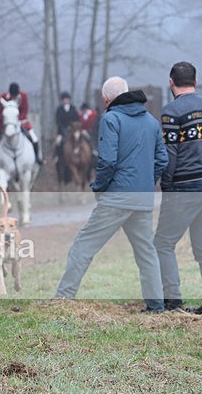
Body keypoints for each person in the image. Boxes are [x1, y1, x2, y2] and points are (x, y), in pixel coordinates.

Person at [55, 76, 168, 313]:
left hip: (117, 198)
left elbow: (107, 161)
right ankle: (157, 306)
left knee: (82, 247)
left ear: (106, 99)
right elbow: (162, 160)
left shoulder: (111, 119)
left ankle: (62, 301)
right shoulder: (151, 121)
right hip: (143, 199)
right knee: (147, 254)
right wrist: (147, 183)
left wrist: (99, 187)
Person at [154, 61, 202, 314]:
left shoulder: (171, 112)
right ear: (196, 81)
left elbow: (169, 154)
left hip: (185, 186)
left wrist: (166, 185)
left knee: (162, 243)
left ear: (171, 82)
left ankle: (173, 301)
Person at [0, 83, 42, 164]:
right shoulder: (2, 98)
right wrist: (6, 120)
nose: (14, 98)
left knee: (34, 138)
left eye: (15, 96)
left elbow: (25, 110)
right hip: (5, 124)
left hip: (22, 122)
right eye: (12, 96)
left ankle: (37, 157)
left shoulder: (23, 96)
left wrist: (19, 120)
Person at [55, 91, 81, 161]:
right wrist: (64, 129)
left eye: (67, 99)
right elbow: (58, 121)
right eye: (64, 99)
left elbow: (77, 119)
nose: (66, 101)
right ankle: (57, 156)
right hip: (62, 130)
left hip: (73, 129)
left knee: (84, 137)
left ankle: (91, 153)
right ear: (62, 100)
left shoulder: (73, 108)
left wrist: (75, 126)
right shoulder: (59, 109)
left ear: (69, 100)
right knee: (58, 141)